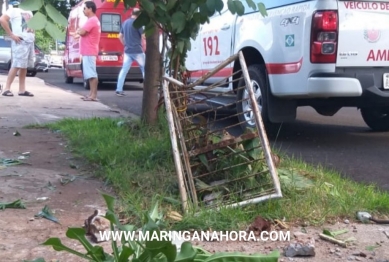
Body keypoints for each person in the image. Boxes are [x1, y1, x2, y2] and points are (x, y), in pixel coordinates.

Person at [0, 1, 35, 97]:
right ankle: (7, 88)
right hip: (20, 41)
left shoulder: (29, 11)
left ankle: (22, 90)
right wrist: (11, 35)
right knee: (16, 65)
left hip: (29, 41)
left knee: (24, 66)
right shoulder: (14, 10)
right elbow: (2, 20)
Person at [74, 1, 101, 101]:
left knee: (92, 74)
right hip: (89, 50)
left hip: (89, 51)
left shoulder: (92, 21)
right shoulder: (93, 20)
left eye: (85, 8)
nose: (84, 11)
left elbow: (82, 32)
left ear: (90, 9)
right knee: (90, 73)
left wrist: (78, 30)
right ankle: (91, 94)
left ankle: (93, 95)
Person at [115, 8, 145, 97]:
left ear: (131, 13)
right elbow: (143, 36)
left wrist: (125, 44)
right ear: (139, 15)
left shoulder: (125, 23)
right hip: (137, 51)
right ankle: (148, 89)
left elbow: (119, 36)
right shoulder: (138, 24)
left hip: (127, 51)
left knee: (124, 70)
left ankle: (119, 89)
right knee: (145, 69)